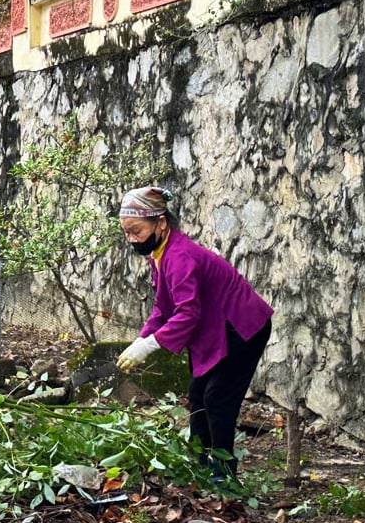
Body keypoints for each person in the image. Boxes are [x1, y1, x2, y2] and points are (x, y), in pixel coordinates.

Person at [116, 187, 273, 479]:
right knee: (197, 393)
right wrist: (142, 338)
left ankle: (223, 474)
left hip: (243, 326)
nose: (132, 239)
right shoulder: (160, 256)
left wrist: (151, 345)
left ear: (160, 223)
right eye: (127, 233)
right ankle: (198, 462)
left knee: (217, 398)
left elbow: (187, 313)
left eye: (136, 231)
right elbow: (163, 308)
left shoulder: (179, 257)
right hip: (217, 325)